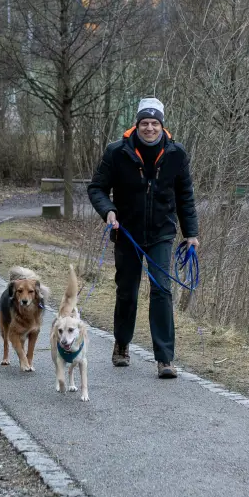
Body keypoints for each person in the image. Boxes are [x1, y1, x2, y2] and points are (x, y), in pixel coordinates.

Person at [87, 97, 199, 379]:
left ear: (162, 125)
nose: (149, 128)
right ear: (137, 125)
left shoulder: (176, 153)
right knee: (127, 291)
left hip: (162, 232)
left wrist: (192, 234)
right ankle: (122, 345)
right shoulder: (117, 152)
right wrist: (109, 212)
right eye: (145, 123)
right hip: (126, 232)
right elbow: (97, 188)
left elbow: (185, 196)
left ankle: (164, 359)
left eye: (154, 123)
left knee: (162, 290)